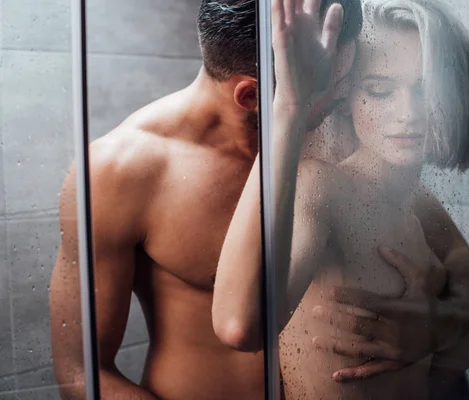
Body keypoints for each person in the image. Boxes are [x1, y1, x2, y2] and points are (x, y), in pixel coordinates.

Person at [213, 0, 469, 399]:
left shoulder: (418, 202)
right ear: (347, 96)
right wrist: (289, 105)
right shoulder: (322, 188)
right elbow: (243, 328)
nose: (408, 112)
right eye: (380, 91)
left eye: (427, 90)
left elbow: (428, 380)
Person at [48, 1, 359, 399]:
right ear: (251, 97)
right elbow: (80, 372)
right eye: (328, 83)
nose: (348, 99)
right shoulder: (119, 171)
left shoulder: (339, 142)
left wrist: (441, 325)